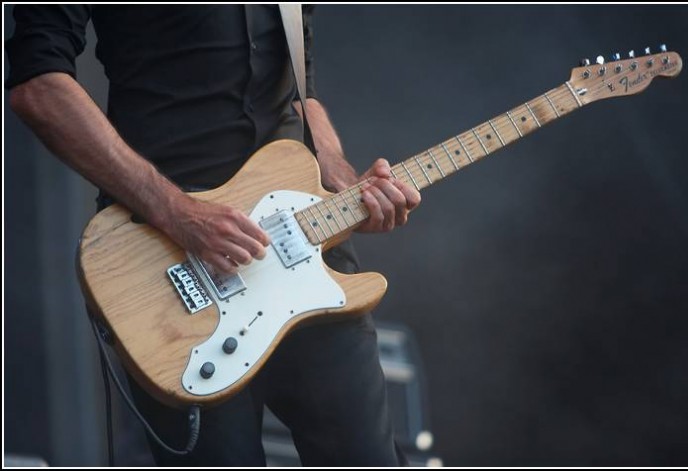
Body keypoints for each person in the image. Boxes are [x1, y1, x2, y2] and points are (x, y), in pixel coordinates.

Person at [7, 4, 421, 467]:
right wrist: (177, 212)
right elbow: (38, 84)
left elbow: (301, 88)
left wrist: (338, 174)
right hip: (168, 262)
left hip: (301, 250)